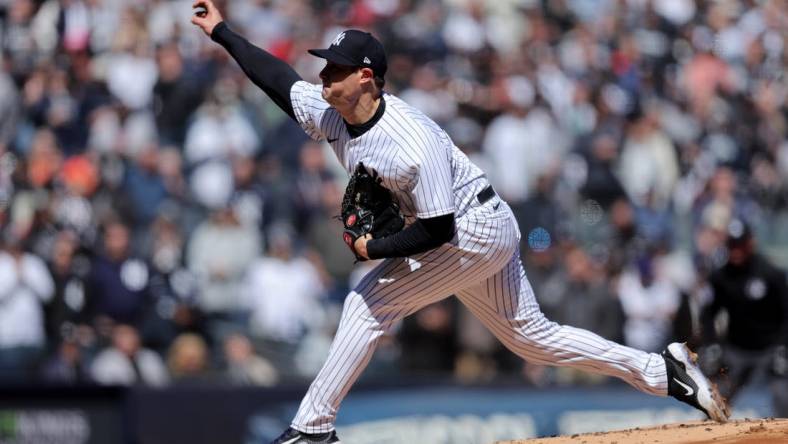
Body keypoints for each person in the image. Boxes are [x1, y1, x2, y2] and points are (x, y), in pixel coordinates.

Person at [191, 2, 730, 442]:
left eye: (334, 67)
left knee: (369, 302)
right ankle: (664, 371)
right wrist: (223, 32)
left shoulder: (410, 143)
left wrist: (371, 251)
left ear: (366, 77)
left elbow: (437, 232)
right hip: (476, 225)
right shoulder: (331, 111)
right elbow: (277, 79)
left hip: (471, 228)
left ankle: (312, 429)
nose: (322, 73)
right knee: (532, 339)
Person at [701, 219, 788, 414]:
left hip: (770, 348)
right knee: (715, 402)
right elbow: (708, 314)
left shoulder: (771, 274)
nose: (736, 251)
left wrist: (783, 346)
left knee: (784, 395)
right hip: (737, 349)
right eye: (732, 246)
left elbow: (786, 314)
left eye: (740, 245)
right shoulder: (720, 277)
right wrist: (712, 344)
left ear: (750, 243)